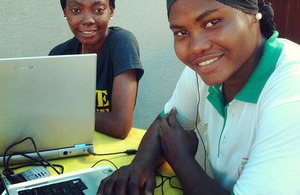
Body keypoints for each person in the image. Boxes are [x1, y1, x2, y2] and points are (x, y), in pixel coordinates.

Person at [97, 0, 300, 194]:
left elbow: (171, 139)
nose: (196, 47)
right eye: (182, 32)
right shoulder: (204, 73)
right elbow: (165, 124)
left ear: (253, 13)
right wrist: (141, 165)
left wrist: (180, 157)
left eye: (212, 22)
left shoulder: (292, 85)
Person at [49, 0, 144, 139]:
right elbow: (50, 119)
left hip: (110, 148)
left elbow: (120, 125)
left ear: (110, 11)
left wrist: (66, 114)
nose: (88, 20)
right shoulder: (58, 55)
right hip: (69, 141)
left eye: (98, 10)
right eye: (76, 10)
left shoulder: (122, 43)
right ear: (66, 12)